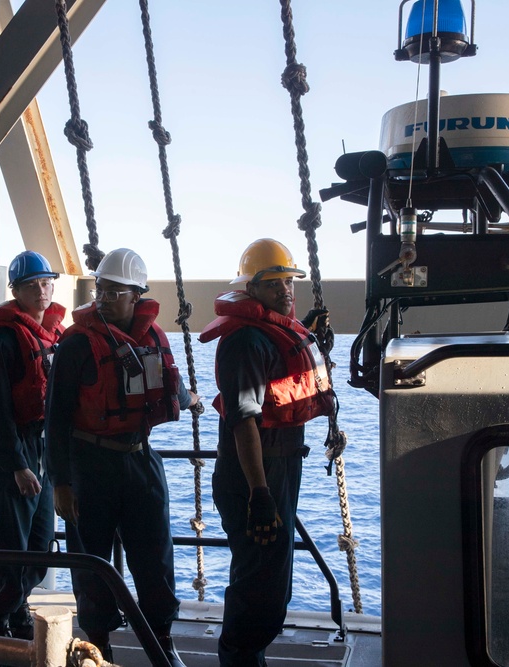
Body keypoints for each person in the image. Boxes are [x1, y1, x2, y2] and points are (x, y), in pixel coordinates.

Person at [44, 248, 196, 667]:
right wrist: (60, 482)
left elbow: (172, 390)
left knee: (156, 558)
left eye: (115, 292)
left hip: (141, 459)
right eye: (101, 290)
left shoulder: (153, 340)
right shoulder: (76, 346)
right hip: (89, 465)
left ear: (137, 296)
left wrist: (190, 399)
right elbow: (54, 419)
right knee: (92, 563)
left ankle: (161, 640)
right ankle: (98, 644)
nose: (105, 298)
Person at [198, 238, 334, 667]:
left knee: (271, 580)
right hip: (253, 475)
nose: (285, 290)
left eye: (288, 281)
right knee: (260, 583)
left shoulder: (274, 333)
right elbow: (244, 422)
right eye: (273, 282)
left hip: (280, 468)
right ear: (249, 289)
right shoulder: (244, 342)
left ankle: (247, 657)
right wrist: (259, 494)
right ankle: (239, 658)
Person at [0, 250, 65, 640]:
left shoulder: (50, 336)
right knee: (8, 543)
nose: (41, 291)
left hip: (41, 449)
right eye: (32, 285)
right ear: (16, 291)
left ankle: (18, 603)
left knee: (40, 541)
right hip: (14, 453)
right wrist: (17, 465)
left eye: (46, 283)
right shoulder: (3, 341)